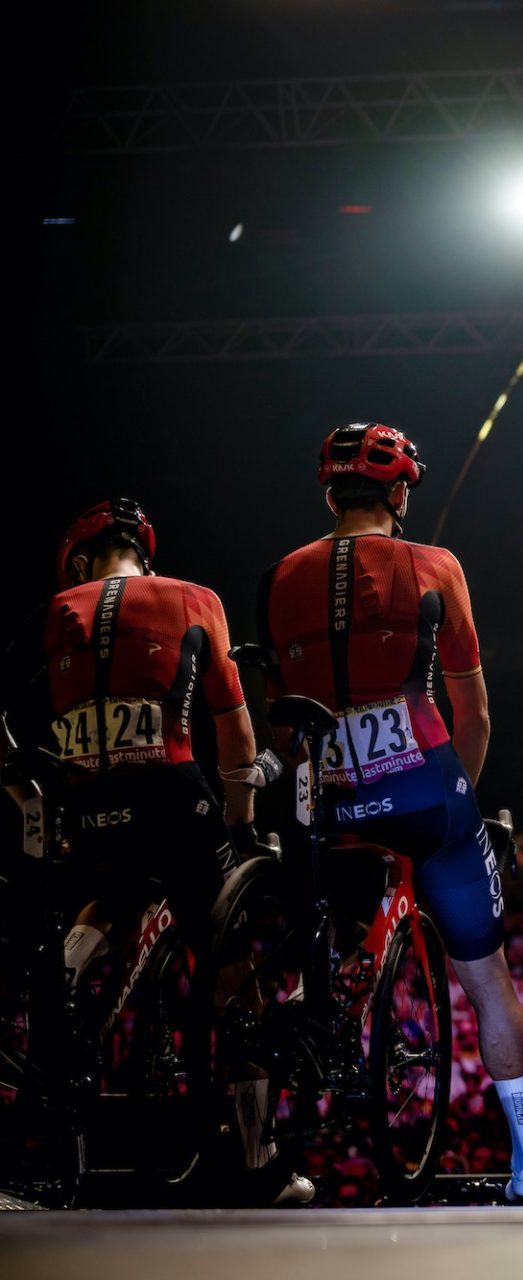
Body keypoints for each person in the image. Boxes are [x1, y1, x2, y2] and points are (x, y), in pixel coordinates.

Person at [257, 424, 523, 1201]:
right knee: (486, 982)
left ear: (329, 494)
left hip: (324, 798)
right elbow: (475, 713)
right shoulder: (434, 565)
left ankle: (280, 1104)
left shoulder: (280, 576)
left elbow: (281, 723)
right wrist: (461, 804)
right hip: (422, 783)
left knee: (317, 948)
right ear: (398, 493)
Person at [2, 500, 311, 1203]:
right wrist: (239, 822)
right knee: (237, 980)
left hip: (82, 808)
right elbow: (234, 735)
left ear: (80, 562)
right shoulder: (193, 598)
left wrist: (19, 788)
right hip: (173, 801)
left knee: (86, 919)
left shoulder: (53, 613)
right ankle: (264, 1167)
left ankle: (68, 1009)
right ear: (141, 551)